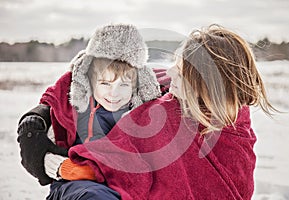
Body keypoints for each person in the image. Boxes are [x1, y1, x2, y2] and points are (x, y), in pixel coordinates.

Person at [57, 24, 277, 199]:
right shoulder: (167, 102)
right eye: (174, 63)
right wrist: (91, 167)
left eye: (180, 71)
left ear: (205, 86)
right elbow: (128, 146)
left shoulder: (235, 130)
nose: (171, 71)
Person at [17, 24, 165, 199]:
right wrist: (35, 120)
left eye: (124, 85)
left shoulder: (141, 110)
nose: (114, 93)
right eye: (105, 84)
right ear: (90, 80)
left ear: (136, 84)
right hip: (76, 184)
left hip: (126, 184)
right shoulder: (76, 105)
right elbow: (51, 105)